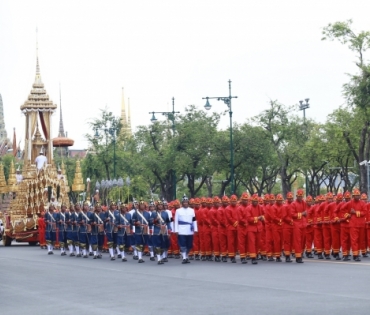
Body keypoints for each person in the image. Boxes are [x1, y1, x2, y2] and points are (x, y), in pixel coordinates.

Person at [174, 194, 198, 264]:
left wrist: (195, 229)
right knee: (182, 244)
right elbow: (176, 221)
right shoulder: (178, 211)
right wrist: (176, 230)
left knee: (189, 245)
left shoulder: (192, 210)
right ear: (182, 203)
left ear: (188, 203)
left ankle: (186, 255)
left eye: (186, 202)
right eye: (184, 202)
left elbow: (194, 220)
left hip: (189, 230)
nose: (185, 203)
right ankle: (184, 257)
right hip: (181, 230)